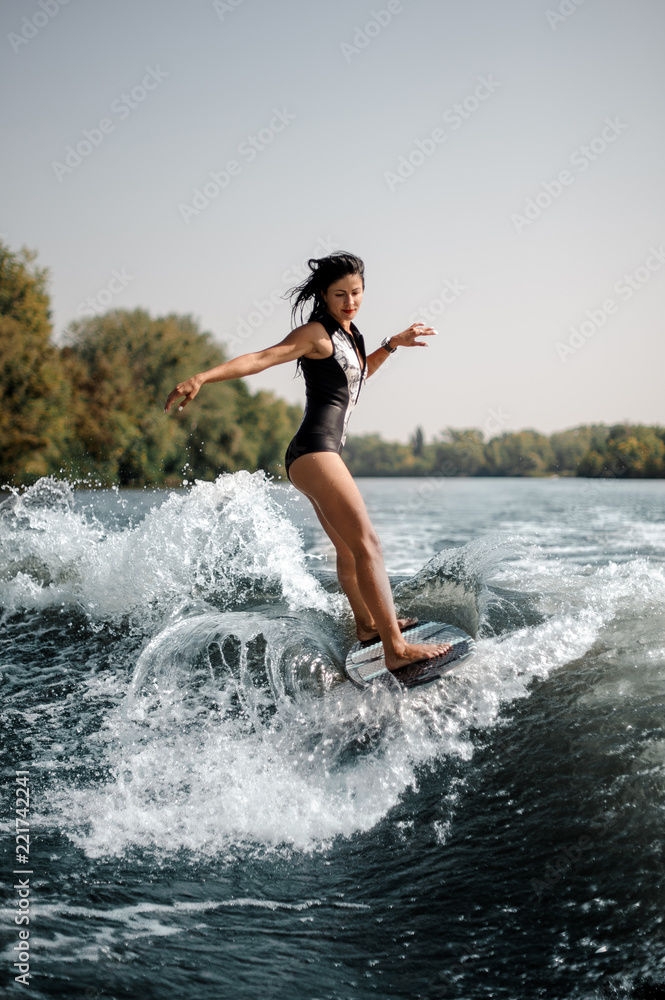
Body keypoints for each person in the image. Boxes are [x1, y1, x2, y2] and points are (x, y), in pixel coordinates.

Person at [164, 251, 452, 671]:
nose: (349, 301)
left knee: (348, 549)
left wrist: (391, 345)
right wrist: (202, 377)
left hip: (315, 453)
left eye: (355, 293)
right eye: (340, 295)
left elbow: (355, 378)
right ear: (323, 294)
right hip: (316, 450)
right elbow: (263, 358)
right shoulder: (317, 334)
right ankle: (395, 647)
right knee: (367, 543)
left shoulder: (352, 335)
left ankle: (368, 626)